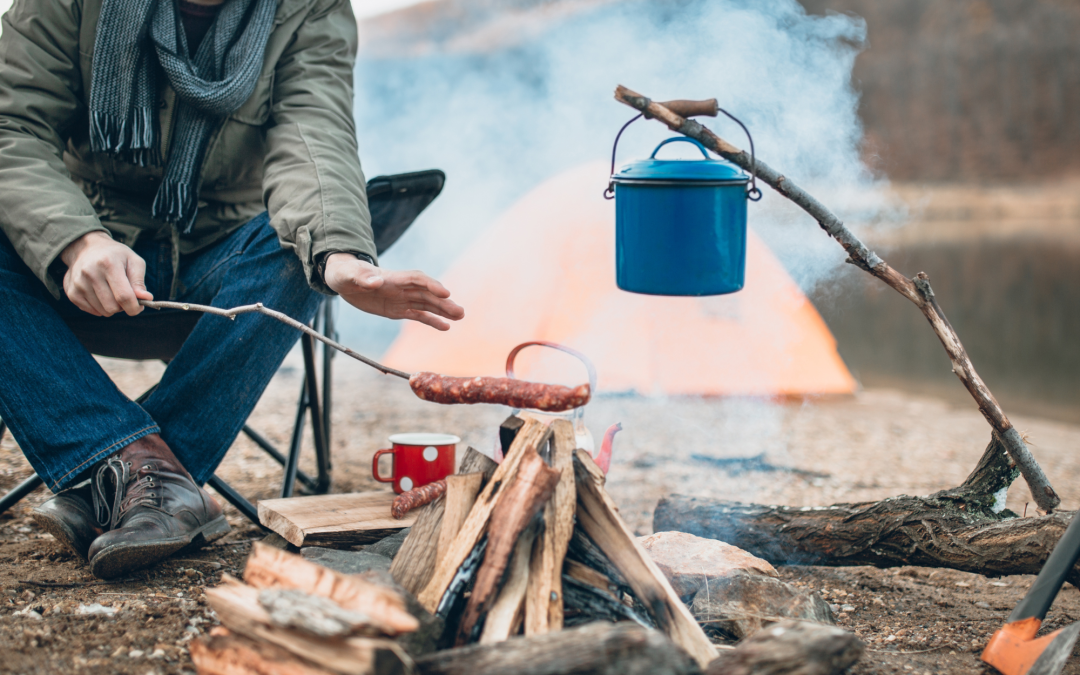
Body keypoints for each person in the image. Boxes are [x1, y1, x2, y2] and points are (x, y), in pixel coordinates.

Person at [0, 0, 464, 579]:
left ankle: (118, 478)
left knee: (298, 250)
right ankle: (142, 476)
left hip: (218, 267)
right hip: (85, 267)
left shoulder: (309, 9)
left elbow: (314, 134)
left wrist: (342, 259)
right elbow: (11, 125)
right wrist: (76, 241)